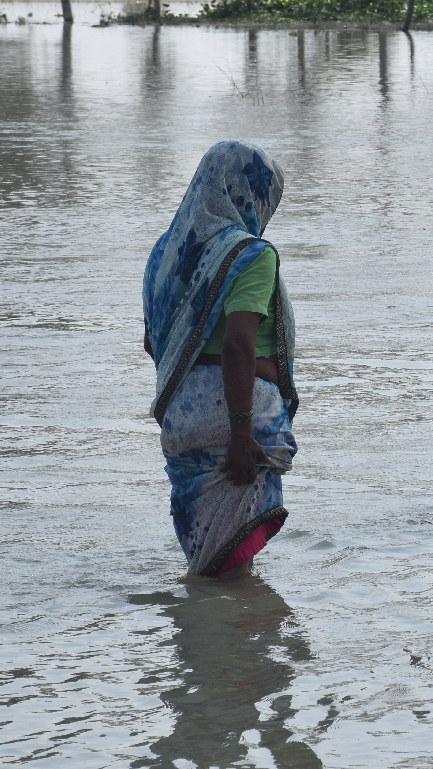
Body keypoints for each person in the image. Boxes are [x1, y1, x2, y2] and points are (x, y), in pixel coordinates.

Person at [143, 140, 299, 578]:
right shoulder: (250, 253)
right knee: (233, 574)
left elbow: (155, 343)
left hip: (178, 421)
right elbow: (236, 345)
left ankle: (202, 640)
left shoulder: (166, 254)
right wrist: (239, 432)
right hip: (233, 423)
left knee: (210, 569)